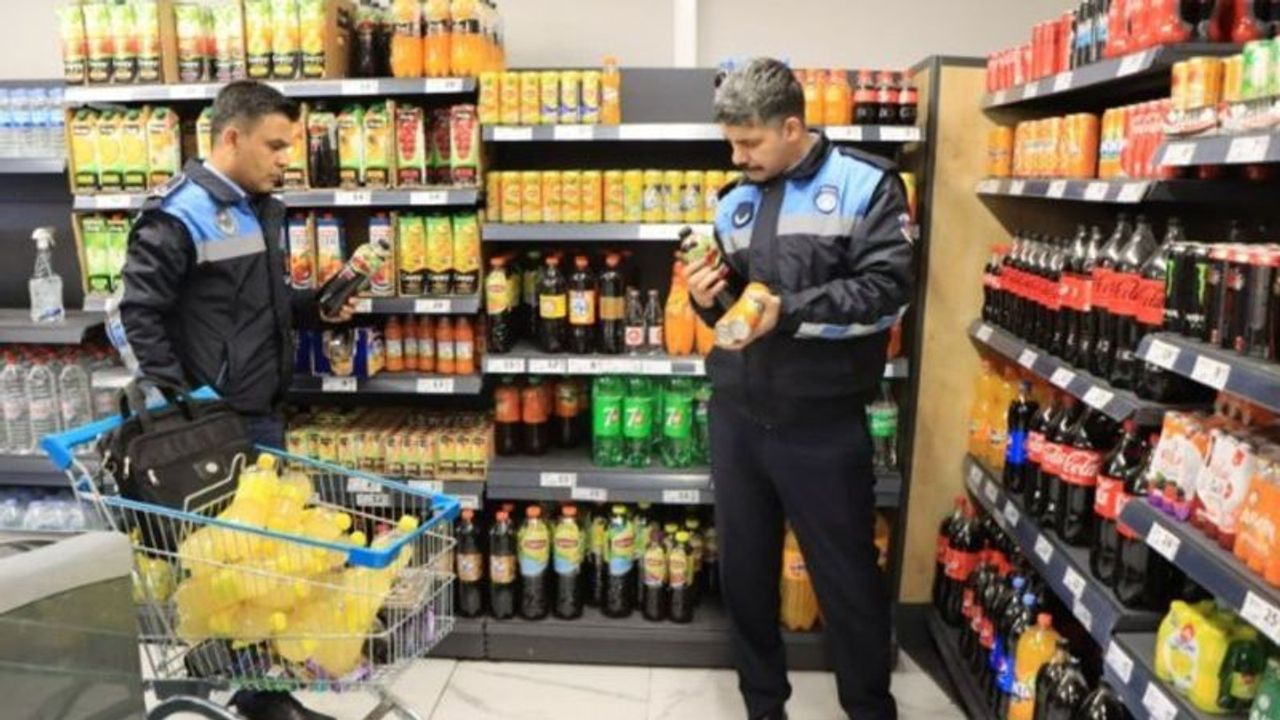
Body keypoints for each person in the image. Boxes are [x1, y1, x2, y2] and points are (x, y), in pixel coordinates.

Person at [118, 80, 355, 720]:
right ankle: (254, 699)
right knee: (236, 571)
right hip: (215, 428)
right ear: (231, 137)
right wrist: (185, 410)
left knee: (268, 569)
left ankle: (260, 697)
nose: (286, 159)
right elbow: (138, 315)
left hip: (258, 411)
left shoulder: (255, 207)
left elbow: (245, 307)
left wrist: (315, 307)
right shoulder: (179, 215)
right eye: (275, 146)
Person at [684, 58, 913, 720]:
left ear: (791, 127)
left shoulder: (866, 186)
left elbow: (887, 293)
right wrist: (706, 298)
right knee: (745, 579)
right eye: (730, 143)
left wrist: (788, 310)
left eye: (749, 143)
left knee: (848, 581)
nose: (738, 157)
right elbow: (731, 313)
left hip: (823, 423)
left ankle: (869, 709)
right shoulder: (733, 200)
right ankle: (763, 708)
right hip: (737, 418)